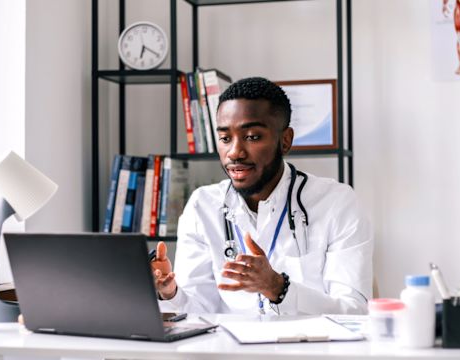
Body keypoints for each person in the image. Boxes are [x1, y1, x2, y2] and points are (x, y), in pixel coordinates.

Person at [151, 77, 373, 315]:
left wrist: (277, 287)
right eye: (225, 138)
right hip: (229, 351)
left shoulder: (337, 203)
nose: (234, 152)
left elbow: (354, 312)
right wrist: (171, 292)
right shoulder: (202, 206)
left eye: (252, 137)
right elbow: (199, 311)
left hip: (309, 350)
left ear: (285, 140)